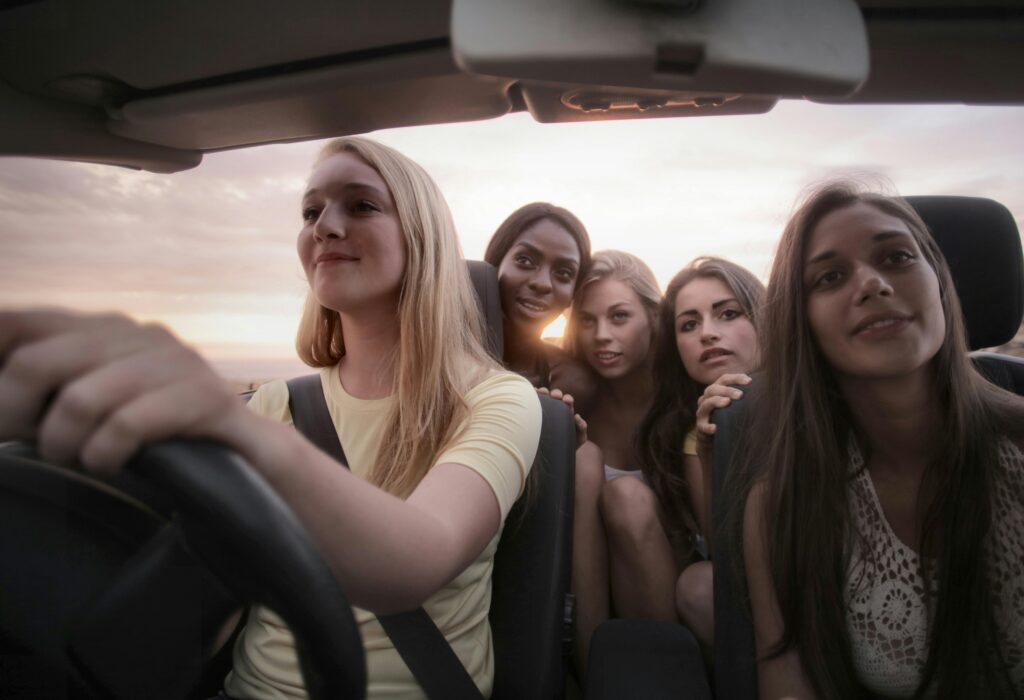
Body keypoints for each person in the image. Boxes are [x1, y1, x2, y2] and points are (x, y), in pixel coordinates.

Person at [0, 136, 543, 699]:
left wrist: (234, 426)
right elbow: (223, 591)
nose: (324, 227)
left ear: (422, 238)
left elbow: (416, 561)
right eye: (311, 211)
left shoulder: (498, 399)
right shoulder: (276, 404)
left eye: (361, 205)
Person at [733, 181, 1024, 698]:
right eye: (830, 277)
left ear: (940, 280)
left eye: (896, 256)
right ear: (802, 323)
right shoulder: (782, 504)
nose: (870, 284)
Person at [637, 256, 764, 650]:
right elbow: (728, 554)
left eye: (728, 314)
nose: (708, 333)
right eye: (689, 325)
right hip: (763, 591)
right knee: (698, 586)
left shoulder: (826, 392)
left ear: (764, 318)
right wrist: (711, 451)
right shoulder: (697, 431)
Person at [565, 250, 669, 626]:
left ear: (654, 317)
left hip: (678, 600)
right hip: (593, 606)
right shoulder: (575, 403)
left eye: (619, 316)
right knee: (582, 456)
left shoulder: (685, 398)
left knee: (626, 497)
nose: (601, 336)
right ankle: (594, 669)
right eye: (587, 321)